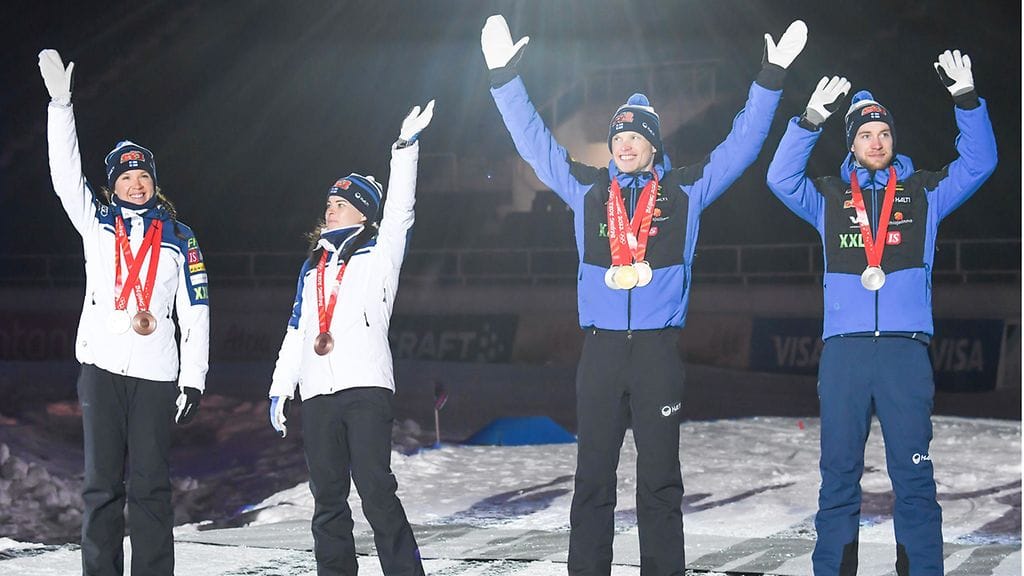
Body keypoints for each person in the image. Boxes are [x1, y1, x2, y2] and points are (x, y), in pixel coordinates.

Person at [481, 14, 807, 575]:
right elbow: (534, 142)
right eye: (619, 135)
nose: (625, 144)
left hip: (657, 352)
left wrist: (771, 77)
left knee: (659, 482)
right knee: (592, 482)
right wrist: (504, 78)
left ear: (653, 145)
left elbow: (743, 144)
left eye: (636, 136)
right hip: (602, 352)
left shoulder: (686, 190)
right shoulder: (586, 187)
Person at [765, 50, 997, 575]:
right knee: (839, 477)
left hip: (903, 353)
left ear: (894, 142)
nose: (876, 142)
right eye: (867, 134)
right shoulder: (825, 197)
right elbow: (779, 178)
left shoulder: (924, 192)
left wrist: (966, 100)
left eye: (884, 135)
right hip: (844, 353)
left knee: (914, 477)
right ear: (851, 143)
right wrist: (809, 121)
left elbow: (981, 163)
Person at [38, 49, 209, 576]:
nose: (136, 183)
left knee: (153, 487)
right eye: (126, 177)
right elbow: (66, 176)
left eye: (143, 176)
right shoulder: (98, 225)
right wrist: (61, 108)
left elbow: (196, 310)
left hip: (157, 374)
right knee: (101, 487)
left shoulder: (181, 238)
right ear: (111, 184)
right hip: (101, 369)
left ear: (154, 181)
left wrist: (193, 377)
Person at [268, 100, 434, 576]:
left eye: (340, 203)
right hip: (318, 391)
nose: (329, 209)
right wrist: (282, 386)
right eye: (328, 203)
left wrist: (404, 150)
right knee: (327, 499)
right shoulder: (312, 267)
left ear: (361, 212)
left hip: (366, 389)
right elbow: (297, 331)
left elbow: (401, 209)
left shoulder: (380, 256)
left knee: (376, 490)